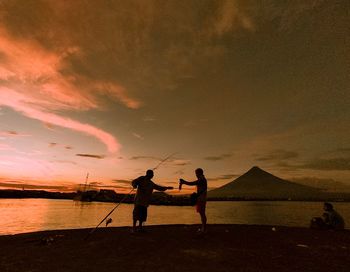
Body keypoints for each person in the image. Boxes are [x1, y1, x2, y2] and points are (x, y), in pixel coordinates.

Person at [179, 168, 207, 234]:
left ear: (199, 173)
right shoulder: (202, 179)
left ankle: (204, 229)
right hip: (201, 198)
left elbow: (192, 183)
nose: (196, 175)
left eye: (196, 173)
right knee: (202, 213)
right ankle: (203, 228)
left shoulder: (202, 179)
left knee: (202, 214)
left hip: (201, 199)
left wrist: (184, 182)